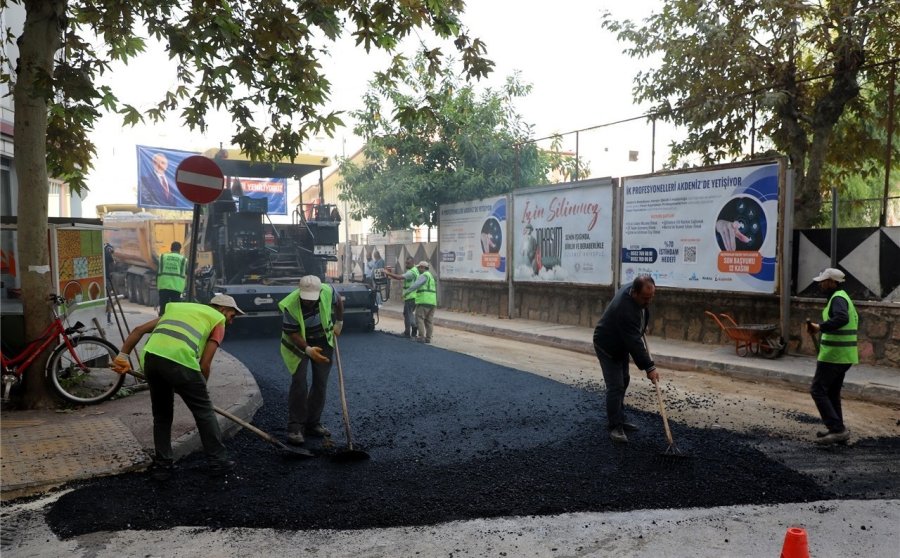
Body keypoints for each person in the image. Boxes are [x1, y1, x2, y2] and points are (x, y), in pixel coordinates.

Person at [110, 294, 245, 480]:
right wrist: (200, 390)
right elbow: (205, 363)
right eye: (232, 315)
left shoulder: (179, 309)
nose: (232, 320)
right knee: (204, 413)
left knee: (162, 414)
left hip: (151, 360)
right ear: (222, 309)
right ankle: (219, 462)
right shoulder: (218, 320)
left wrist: (122, 356)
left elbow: (138, 330)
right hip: (181, 362)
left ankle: (163, 466)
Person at [592, 275, 659, 443]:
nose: (648, 301)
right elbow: (635, 343)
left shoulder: (636, 292)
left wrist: (642, 326)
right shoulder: (625, 309)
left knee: (625, 379)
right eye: (645, 298)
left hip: (621, 343)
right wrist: (649, 367)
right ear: (635, 293)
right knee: (616, 386)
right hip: (607, 345)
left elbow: (640, 316)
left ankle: (620, 416)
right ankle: (615, 426)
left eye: (651, 297)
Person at [278, 275, 344, 445]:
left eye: (311, 300)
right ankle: (295, 427)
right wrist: (308, 349)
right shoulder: (290, 304)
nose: (308, 302)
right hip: (299, 343)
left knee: (320, 383)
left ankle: (312, 423)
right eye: (305, 299)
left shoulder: (328, 291)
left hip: (323, 339)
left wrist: (339, 322)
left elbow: (339, 303)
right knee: (299, 382)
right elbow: (293, 333)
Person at [806, 267, 858, 445]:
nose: (820, 284)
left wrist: (819, 327)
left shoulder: (837, 299)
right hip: (843, 355)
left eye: (823, 281)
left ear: (832, 283)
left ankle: (837, 430)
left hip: (834, 356)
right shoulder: (842, 297)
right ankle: (837, 429)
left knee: (817, 390)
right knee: (832, 392)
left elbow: (841, 318)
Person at [384, 257, 419, 338]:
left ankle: (408, 331)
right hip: (413, 296)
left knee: (407, 314)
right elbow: (398, 277)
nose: (406, 264)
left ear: (413, 263)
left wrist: (388, 273)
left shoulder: (411, 272)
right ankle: (413, 329)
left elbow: (399, 277)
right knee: (409, 313)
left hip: (410, 297)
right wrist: (390, 275)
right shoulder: (415, 270)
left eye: (408, 263)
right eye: (406, 263)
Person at [403, 261, 436, 343]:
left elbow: (416, 285)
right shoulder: (431, 276)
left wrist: (406, 292)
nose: (418, 269)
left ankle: (421, 337)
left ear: (423, 267)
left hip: (424, 301)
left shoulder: (424, 275)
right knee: (429, 321)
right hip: (432, 302)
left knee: (419, 318)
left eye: (419, 267)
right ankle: (428, 338)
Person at [157, 241, 187, 316]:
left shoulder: (162, 257)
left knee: (163, 307)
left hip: (163, 285)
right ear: (180, 249)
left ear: (171, 248)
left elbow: (157, 271)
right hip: (176, 287)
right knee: (175, 309)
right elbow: (187, 272)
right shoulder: (183, 259)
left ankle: (161, 321)